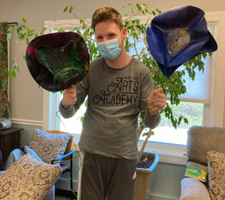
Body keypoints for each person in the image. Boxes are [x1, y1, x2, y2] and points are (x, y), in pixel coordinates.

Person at [59, 5, 166, 200]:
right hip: (92, 153)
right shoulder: (90, 69)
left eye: (110, 35)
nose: (105, 42)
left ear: (123, 33)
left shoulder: (141, 72)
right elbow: (68, 112)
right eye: (100, 38)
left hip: (124, 157)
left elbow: (150, 123)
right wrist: (66, 103)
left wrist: (152, 111)